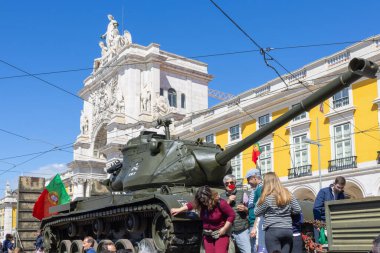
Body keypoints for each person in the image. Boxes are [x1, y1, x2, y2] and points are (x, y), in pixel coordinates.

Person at [171, 185, 235, 253]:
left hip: (220, 234)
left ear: (211, 197)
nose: (204, 203)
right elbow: (192, 205)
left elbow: (232, 215)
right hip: (207, 235)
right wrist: (179, 209)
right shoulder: (202, 203)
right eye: (202, 201)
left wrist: (224, 229)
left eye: (206, 201)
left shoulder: (221, 203)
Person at [254, 172, 301, 253]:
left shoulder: (266, 197)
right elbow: (297, 209)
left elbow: (256, 212)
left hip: (273, 231)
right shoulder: (288, 194)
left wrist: (261, 198)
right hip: (287, 230)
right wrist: (288, 212)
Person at [220, 174, 251, 253]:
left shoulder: (243, 193)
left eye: (231, 182)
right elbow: (219, 213)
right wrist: (228, 202)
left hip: (241, 230)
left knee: (247, 251)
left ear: (235, 183)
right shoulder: (221, 197)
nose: (229, 185)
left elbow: (251, 211)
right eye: (227, 183)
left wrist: (245, 209)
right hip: (227, 231)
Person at [313, 176, 346, 242]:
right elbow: (316, 208)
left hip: (334, 223)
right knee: (322, 245)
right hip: (322, 223)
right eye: (338, 187)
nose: (340, 189)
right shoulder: (323, 192)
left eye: (341, 188)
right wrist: (318, 224)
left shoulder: (342, 195)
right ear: (334, 184)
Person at [246, 169, 266, 253]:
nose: (248, 183)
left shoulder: (259, 189)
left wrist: (255, 226)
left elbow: (260, 208)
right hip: (254, 222)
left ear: (254, 178)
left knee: (257, 248)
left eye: (249, 180)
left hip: (256, 223)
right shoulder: (256, 189)